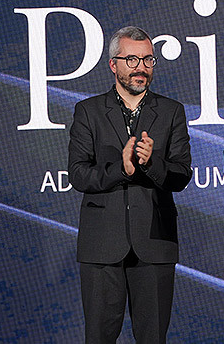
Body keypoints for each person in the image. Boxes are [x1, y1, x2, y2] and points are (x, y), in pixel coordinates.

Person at [68, 26, 192, 344]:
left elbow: (181, 175)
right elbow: (79, 175)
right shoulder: (89, 111)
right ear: (114, 64)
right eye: (132, 59)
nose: (141, 67)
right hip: (101, 245)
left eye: (148, 59)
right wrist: (120, 169)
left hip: (154, 243)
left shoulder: (171, 111)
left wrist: (151, 163)